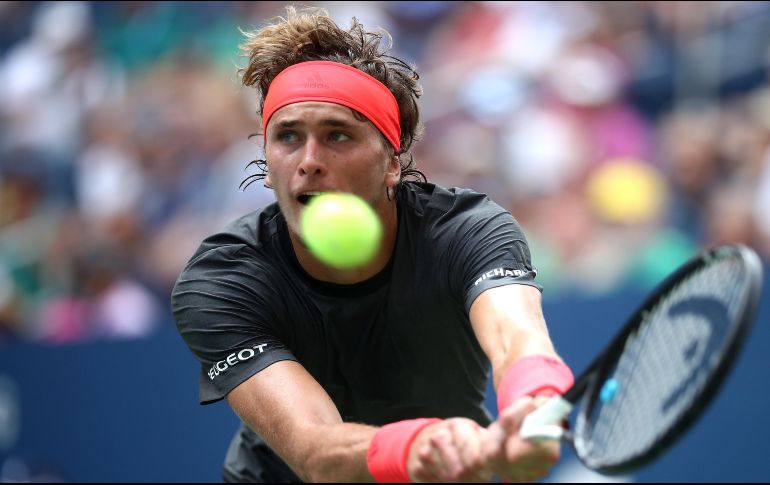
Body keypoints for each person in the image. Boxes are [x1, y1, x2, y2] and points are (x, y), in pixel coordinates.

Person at [171, 6, 574, 483]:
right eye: (288, 137)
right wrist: (422, 445)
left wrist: (534, 404)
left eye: (337, 135)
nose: (310, 161)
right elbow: (314, 448)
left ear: (392, 163)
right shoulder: (223, 279)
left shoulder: (468, 231)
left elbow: (517, 338)